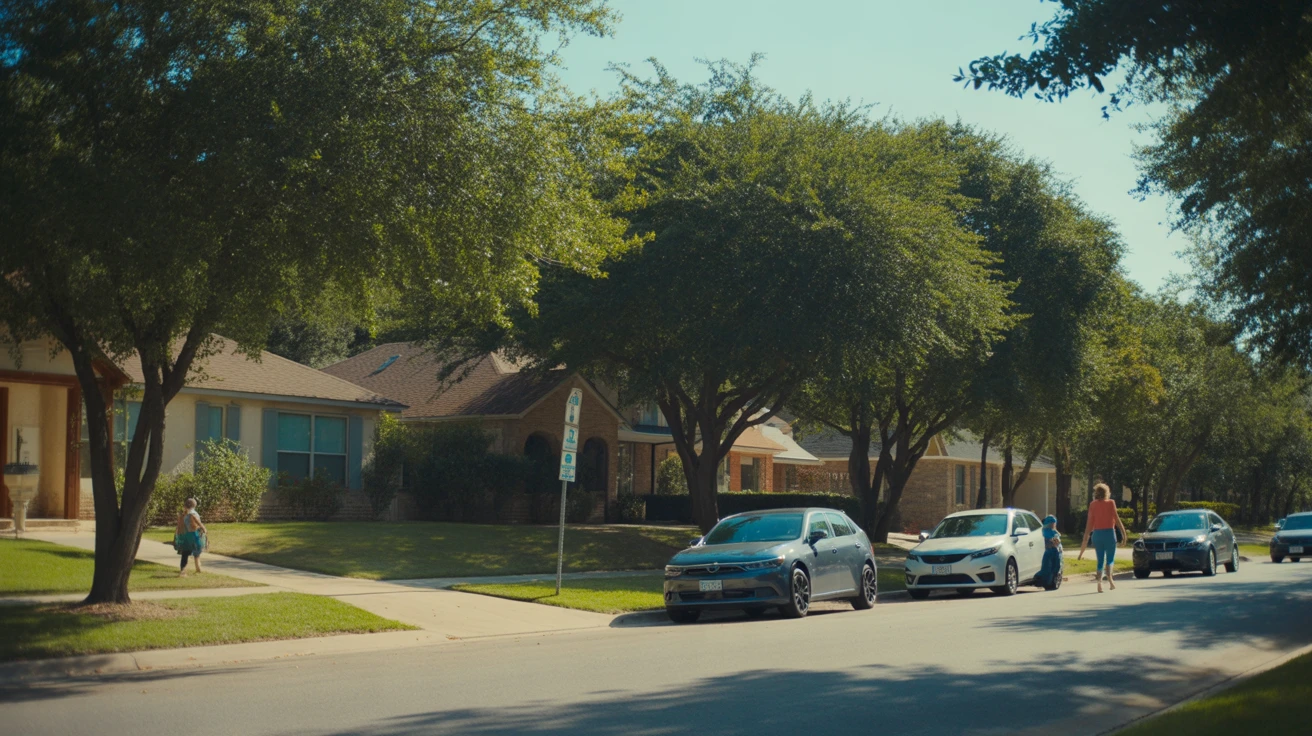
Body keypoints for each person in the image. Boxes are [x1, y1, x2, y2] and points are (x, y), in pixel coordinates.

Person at [1078, 483, 1128, 592]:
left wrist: (1084, 542)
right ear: (1107, 493)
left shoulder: (1092, 505)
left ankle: (1099, 583)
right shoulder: (1111, 503)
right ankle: (1110, 579)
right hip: (1109, 534)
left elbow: (1089, 524)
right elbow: (1117, 519)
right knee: (1110, 559)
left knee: (1100, 560)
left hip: (1097, 534)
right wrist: (1124, 534)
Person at [175, 497, 207, 576]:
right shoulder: (193, 513)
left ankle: (183, 570)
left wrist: (178, 534)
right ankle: (198, 568)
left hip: (185, 535)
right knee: (197, 550)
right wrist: (203, 528)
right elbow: (197, 521)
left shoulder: (184, 514)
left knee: (185, 553)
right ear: (194, 505)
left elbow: (179, 526)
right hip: (194, 534)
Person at [1036, 515, 1063, 589]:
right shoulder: (1046, 532)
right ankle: (1048, 582)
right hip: (1050, 553)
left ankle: (1050, 582)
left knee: (1053, 568)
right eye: (1053, 523)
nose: (1054, 525)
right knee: (1050, 568)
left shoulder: (1051, 531)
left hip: (1054, 552)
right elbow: (1055, 542)